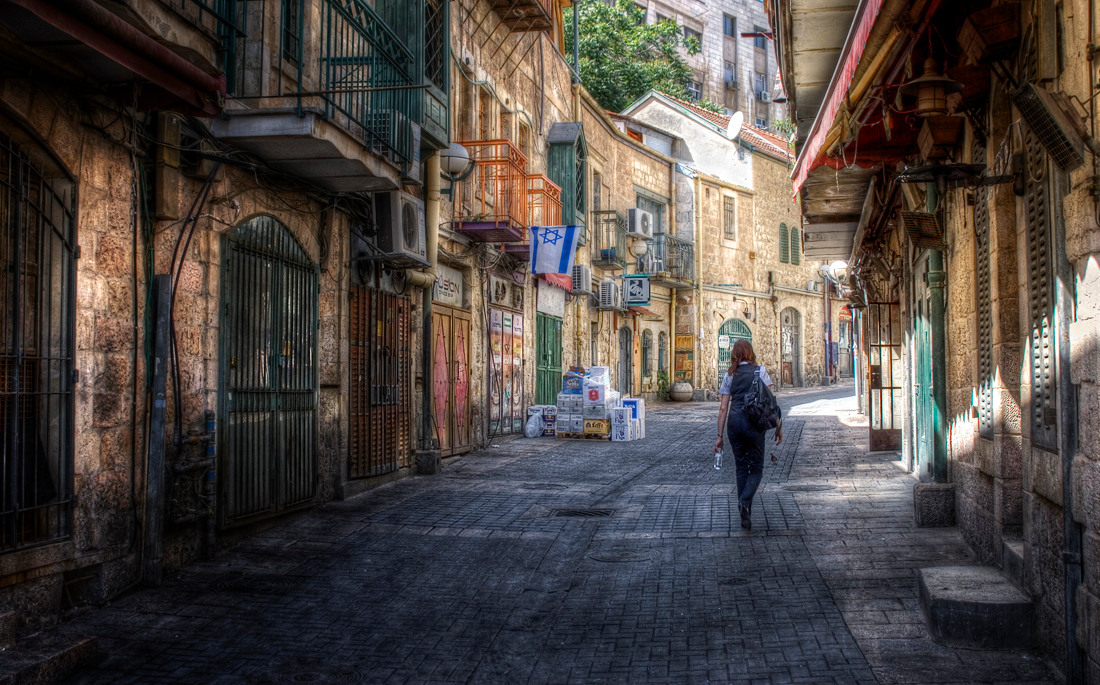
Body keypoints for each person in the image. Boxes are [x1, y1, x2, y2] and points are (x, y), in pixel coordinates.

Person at [714, 339, 782, 530]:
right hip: (754, 424)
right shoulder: (760, 372)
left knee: (741, 467)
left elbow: (722, 408)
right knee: (757, 468)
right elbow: (771, 403)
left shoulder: (729, 375)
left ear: (735, 355)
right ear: (750, 353)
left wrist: (719, 436)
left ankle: (745, 514)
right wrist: (778, 425)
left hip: (734, 424)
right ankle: (745, 501)